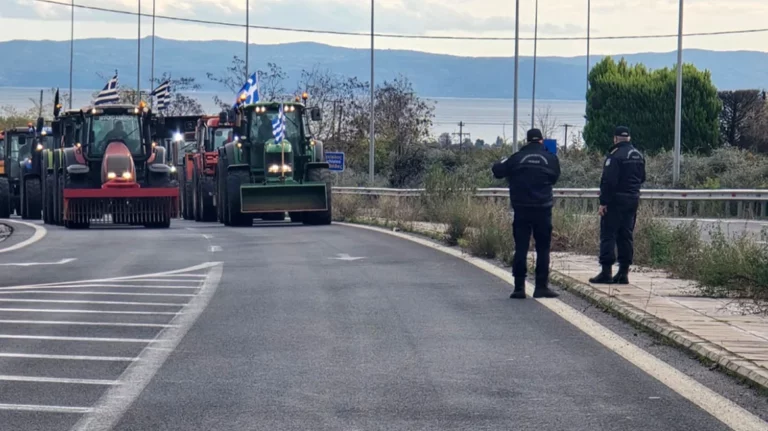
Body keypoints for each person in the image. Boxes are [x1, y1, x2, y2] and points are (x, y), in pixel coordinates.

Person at [492, 128, 561, 299]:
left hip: (521, 209)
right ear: (541, 141)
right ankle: (541, 287)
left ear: (527, 140)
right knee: (543, 248)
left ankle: (519, 288)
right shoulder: (550, 158)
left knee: (521, 247)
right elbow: (554, 178)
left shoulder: (517, 158)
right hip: (543, 209)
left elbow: (497, 171)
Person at [589, 126, 646, 285]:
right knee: (626, 235)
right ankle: (623, 273)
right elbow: (642, 178)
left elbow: (609, 181)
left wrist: (603, 203)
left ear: (615, 139)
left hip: (615, 201)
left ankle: (606, 272)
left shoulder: (614, 156)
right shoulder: (638, 155)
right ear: (629, 137)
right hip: (632, 199)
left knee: (608, 235)